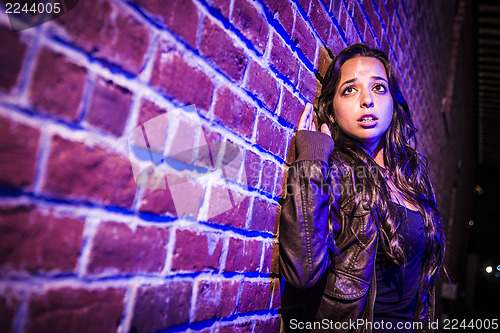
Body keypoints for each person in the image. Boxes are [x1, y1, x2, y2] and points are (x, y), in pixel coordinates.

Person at [279, 44, 446, 333]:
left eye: (379, 88)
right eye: (350, 90)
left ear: (393, 103)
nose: (367, 100)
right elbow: (302, 271)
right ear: (330, 112)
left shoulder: (411, 176)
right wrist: (312, 159)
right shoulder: (338, 171)